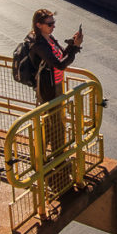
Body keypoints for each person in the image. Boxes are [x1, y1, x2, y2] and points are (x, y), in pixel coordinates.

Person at [28, 8, 83, 154]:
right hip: (47, 88)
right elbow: (59, 64)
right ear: (38, 25)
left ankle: (42, 154)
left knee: (50, 121)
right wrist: (76, 48)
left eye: (54, 23)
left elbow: (61, 56)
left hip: (55, 85)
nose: (53, 26)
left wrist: (72, 45)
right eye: (50, 24)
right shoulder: (38, 43)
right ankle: (58, 158)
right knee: (57, 124)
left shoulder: (48, 38)